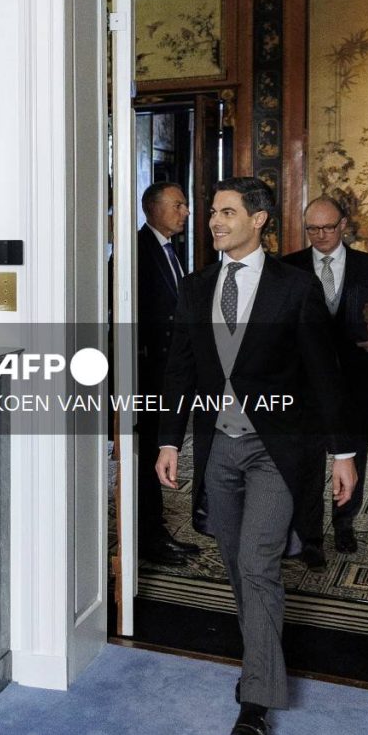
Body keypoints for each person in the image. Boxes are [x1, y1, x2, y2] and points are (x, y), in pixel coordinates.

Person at [156, 177, 359, 735]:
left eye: (226, 212)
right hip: (218, 449)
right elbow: (180, 370)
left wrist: (342, 453)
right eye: (212, 213)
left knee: (257, 563)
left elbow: (325, 374)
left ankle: (256, 704)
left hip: (276, 451)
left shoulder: (294, 290)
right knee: (237, 565)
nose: (214, 221)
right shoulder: (196, 289)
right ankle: (261, 660)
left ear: (260, 219)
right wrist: (169, 442)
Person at [283, 196, 368, 560]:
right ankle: (309, 538)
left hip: (353, 383)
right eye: (312, 229)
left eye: (328, 227)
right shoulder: (288, 267)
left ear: (343, 225)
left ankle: (344, 524)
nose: (320, 235)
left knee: (353, 458)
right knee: (306, 462)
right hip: (303, 386)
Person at [134, 181, 201, 564]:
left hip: (168, 374)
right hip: (147, 375)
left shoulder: (170, 251)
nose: (186, 212)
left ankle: (156, 534)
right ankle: (150, 540)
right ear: (153, 209)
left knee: (160, 452)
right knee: (147, 457)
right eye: (178, 205)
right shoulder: (137, 252)